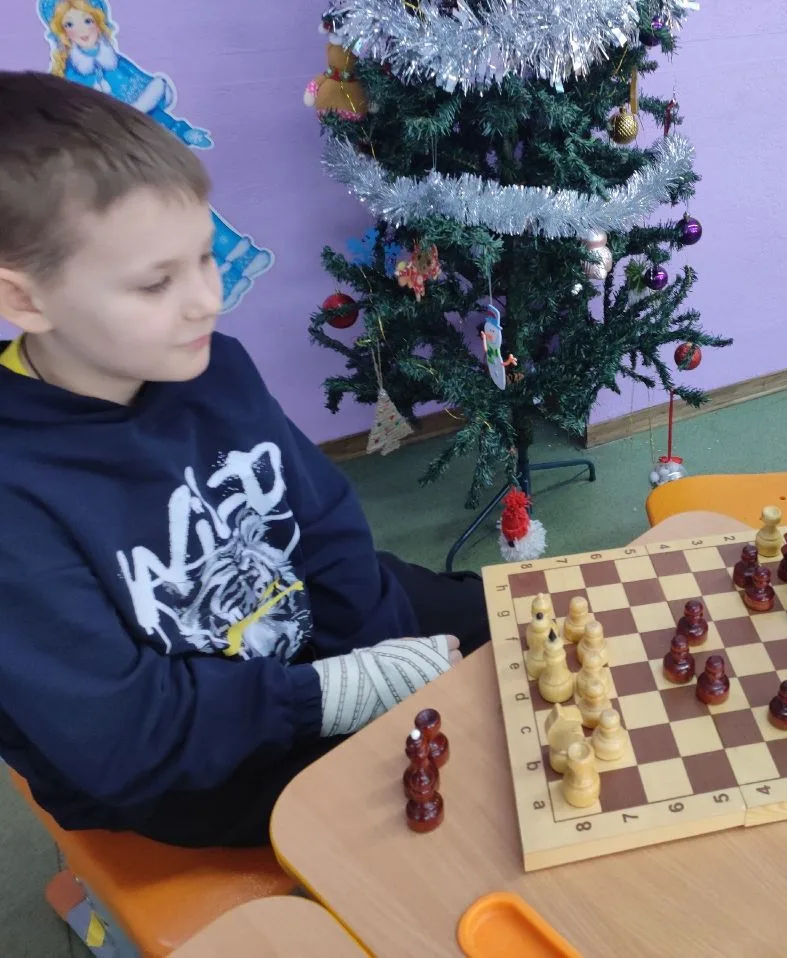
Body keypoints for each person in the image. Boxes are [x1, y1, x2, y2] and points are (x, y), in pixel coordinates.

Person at [0, 71, 489, 848]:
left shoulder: (209, 363)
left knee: (523, 626)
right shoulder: (16, 492)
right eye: (156, 283)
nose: (208, 299)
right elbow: (124, 736)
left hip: (297, 625)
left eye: (205, 257)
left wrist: (376, 644)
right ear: (25, 300)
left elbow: (322, 520)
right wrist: (340, 693)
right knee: (459, 792)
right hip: (188, 756)